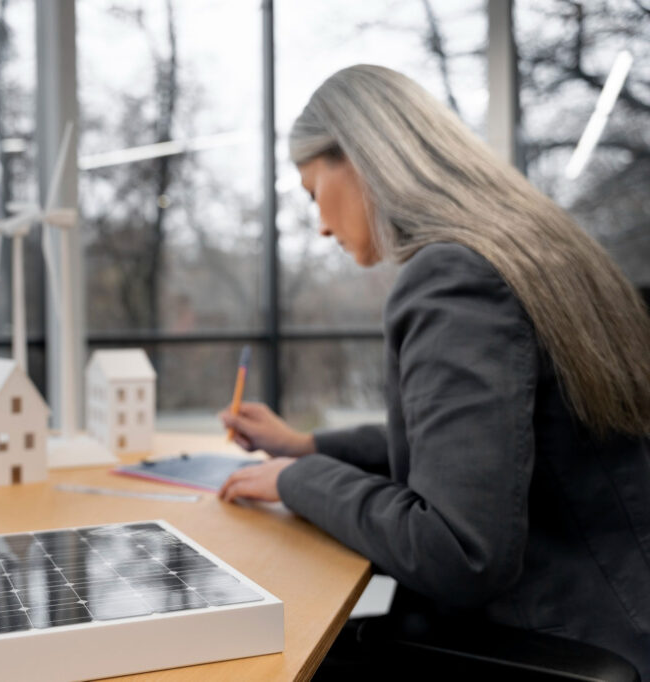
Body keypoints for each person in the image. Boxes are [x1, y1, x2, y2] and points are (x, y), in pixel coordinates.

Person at [218, 64, 650, 678]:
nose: (319, 223)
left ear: (362, 157)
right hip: (617, 610)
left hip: (550, 644)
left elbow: (457, 550)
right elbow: (486, 444)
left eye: (314, 192)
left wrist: (299, 479)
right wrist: (307, 444)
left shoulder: (453, 276)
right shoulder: (538, 250)